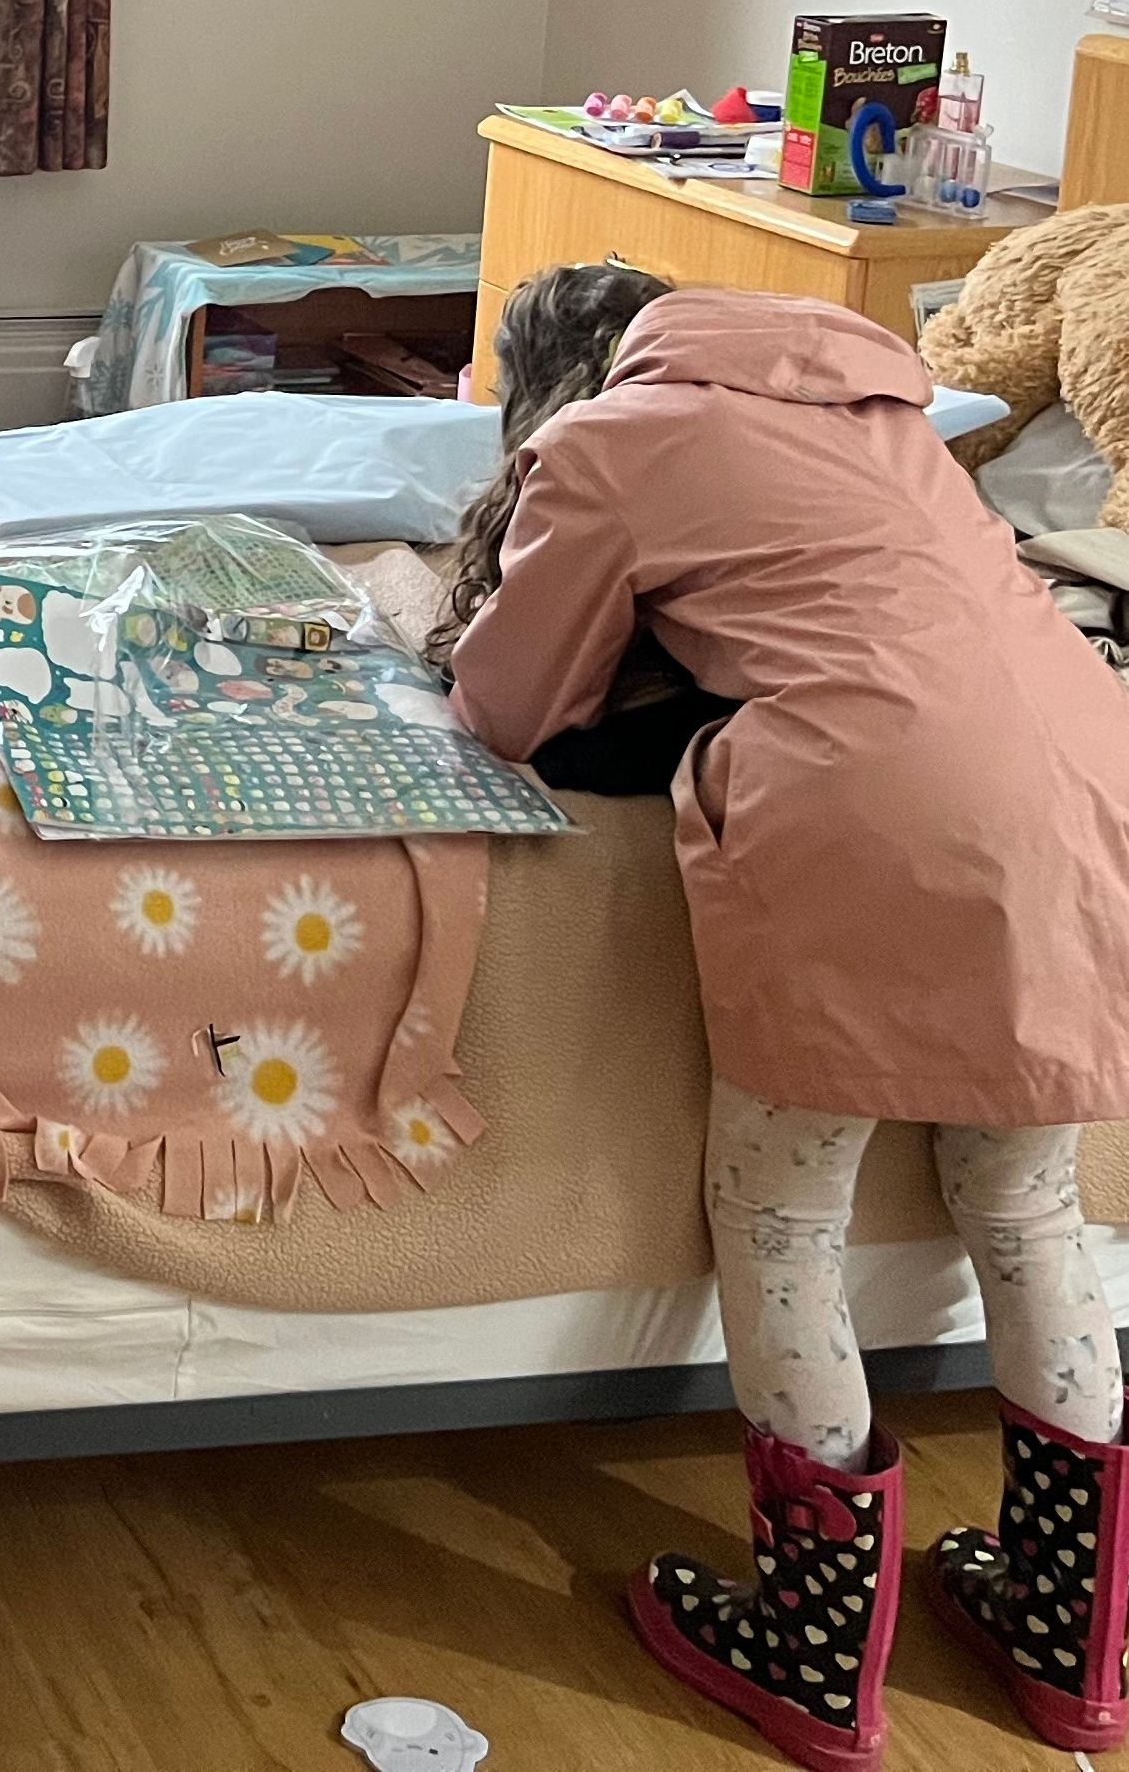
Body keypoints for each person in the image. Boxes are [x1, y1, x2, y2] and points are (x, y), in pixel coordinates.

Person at [442, 268, 1129, 1772]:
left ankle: (815, 1652)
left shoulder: (608, 444)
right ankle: (1072, 1644)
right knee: (1024, 1207)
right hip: (1085, 779)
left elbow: (504, 703)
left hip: (871, 820)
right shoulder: (884, 409)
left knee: (780, 1217)